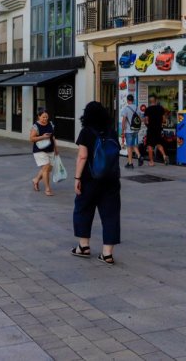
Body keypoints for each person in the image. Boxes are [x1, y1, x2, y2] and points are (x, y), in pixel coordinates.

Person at [71, 101, 121, 265]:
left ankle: (83, 246)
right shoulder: (112, 132)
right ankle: (107, 254)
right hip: (111, 180)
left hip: (89, 179)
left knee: (83, 209)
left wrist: (77, 178)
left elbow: (83, 156)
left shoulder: (86, 132)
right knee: (111, 215)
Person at [29, 109, 58, 196]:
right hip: (39, 150)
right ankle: (47, 189)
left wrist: (56, 148)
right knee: (46, 167)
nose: (45, 119)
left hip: (50, 149)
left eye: (46, 117)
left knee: (48, 169)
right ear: (39, 116)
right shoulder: (35, 126)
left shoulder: (51, 124)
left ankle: (36, 180)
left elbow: (53, 137)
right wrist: (42, 137)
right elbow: (31, 139)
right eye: (43, 117)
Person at [143, 95, 167, 166]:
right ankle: (164, 156)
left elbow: (146, 121)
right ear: (156, 101)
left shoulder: (148, 109)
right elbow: (164, 120)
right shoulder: (161, 108)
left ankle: (151, 162)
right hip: (158, 129)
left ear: (150, 101)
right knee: (159, 143)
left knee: (150, 146)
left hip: (151, 129)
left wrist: (147, 124)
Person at [119, 95, 142, 169]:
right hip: (135, 129)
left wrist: (122, 131)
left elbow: (123, 121)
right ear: (133, 100)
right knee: (132, 144)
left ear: (127, 100)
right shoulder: (136, 108)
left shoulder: (126, 109)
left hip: (129, 130)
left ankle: (130, 163)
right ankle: (139, 156)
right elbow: (140, 118)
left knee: (129, 147)